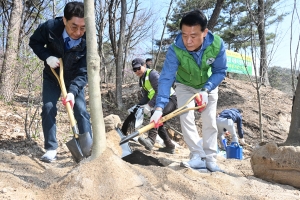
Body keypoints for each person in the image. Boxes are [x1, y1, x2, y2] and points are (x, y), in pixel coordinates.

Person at [150, 9, 227, 172]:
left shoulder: (217, 44)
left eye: (193, 36)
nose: (188, 41)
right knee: (186, 116)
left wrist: (206, 90)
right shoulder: (175, 49)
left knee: (209, 120)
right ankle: (197, 156)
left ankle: (210, 158)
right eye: (184, 35)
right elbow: (166, 78)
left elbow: (220, 71)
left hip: (208, 85)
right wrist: (158, 108)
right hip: (184, 84)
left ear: (205, 32)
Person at [29, 1, 92, 162]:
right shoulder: (50, 27)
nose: (78, 32)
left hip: (74, 79)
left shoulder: (89, 40)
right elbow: (34, 42)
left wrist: (72, 92)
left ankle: (88, 149)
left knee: (81, 111)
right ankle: (51, 148)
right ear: (64, 20)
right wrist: (47, 57)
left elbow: (83, 72)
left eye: (83, 27)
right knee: (48, 108)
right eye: (74, 26)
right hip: (52, 75)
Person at [129, 58, 177, 154]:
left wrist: (150, 105)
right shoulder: (142, 80)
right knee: (158, 123)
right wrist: (138, 106)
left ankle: (151, 140)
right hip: (160, 101)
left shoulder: (152, 74)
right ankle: (169, 146)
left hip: (170, 99)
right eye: (134, 70)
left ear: (144, 65)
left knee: (155, 115)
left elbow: (160, 91)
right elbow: (147, 95)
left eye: (138, 68)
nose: (137, 71)